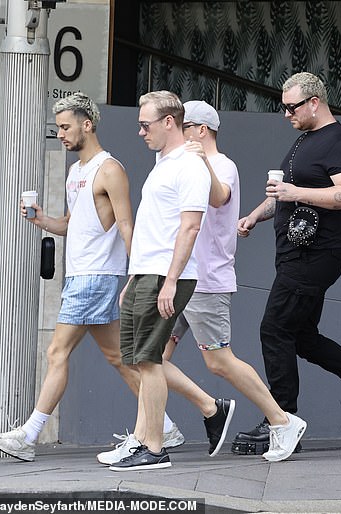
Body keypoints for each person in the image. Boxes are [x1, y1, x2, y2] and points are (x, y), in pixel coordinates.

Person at [0, 92, 182, 461]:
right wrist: (42, 220)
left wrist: (135, 277)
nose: (59, 134)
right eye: (58, 127)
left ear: (86, 125)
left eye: (64, 126)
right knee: (119, 359)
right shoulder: (76, 172)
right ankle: (164, 426)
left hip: (95, 277)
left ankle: (28, 436)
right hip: (81, 276)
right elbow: (73, 225)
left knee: (57, 351)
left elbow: (126, 226)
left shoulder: (109, 169)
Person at [235, 72, 341, 453]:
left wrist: (294, 191)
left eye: (291, 107)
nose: (286, 114)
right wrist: (254, 216)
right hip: (296, 255)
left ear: (314, 102)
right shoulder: (305, 141)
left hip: (316, 255)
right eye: (283, 107)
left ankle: (282, 420)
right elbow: (284, 194)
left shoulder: (340, 142)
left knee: (274, 329)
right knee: (302, 338)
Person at [161, 101, 306, 463]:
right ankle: (160, 428)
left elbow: (220, 196)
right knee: (148, 357)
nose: (175, 132)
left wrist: (200, 162)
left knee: (219, 362)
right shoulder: (179, 163)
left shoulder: (222, 165)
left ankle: (282, 420)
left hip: (206, 279)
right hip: (178, 277)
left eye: (183, 126)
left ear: (200, 131)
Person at [107, 91, 210, 472]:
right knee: (137, 360)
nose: (139, 132)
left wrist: (170, 282)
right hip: (145, 274)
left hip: (166, 276)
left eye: (145, 124)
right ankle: (145, 441)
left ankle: (155, 447)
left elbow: (190, 226)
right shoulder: (163, 162)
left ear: (170, 122)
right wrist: (132, 278)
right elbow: (154, 228)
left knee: (149, 360)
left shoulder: (189, 166)